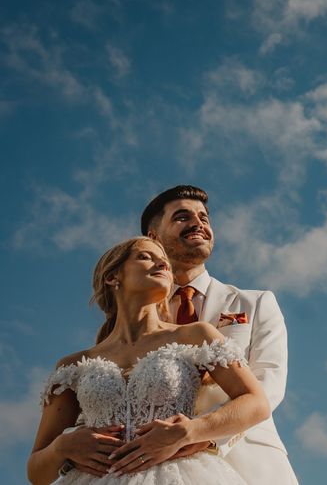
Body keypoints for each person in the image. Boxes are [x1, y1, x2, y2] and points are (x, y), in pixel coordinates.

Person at [28, 237, 270, 484]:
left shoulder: (196, 335)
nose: (163, 264)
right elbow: (37, 473)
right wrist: (62, 447)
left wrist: (190, 431)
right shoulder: (73, 365)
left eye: (164, 261)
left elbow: (257, 403)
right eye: (146, 256)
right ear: (112, 277)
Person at [138, 185, 297, 483]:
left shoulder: (256, 302)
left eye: (204, 217)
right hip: (157, 468)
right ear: (153, 237)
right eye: (182, 217)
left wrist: (203, 435)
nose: (199, 224)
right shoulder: (139, 318)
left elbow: (268, 384)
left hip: (249, 463)